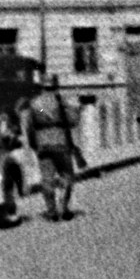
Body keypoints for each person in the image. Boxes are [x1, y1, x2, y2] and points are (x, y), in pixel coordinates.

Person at [23, 74, 82, 222]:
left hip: (43, 146)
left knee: (47, 179)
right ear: (56, 86)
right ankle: (63, 207)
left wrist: (34, 145)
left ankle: (52, 211)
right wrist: (77, 109)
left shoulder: (35, 104)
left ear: (42, 86)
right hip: (61, 144)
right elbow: (73, 121)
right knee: (67, 176)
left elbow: (30, 128)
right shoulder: (61, 102)